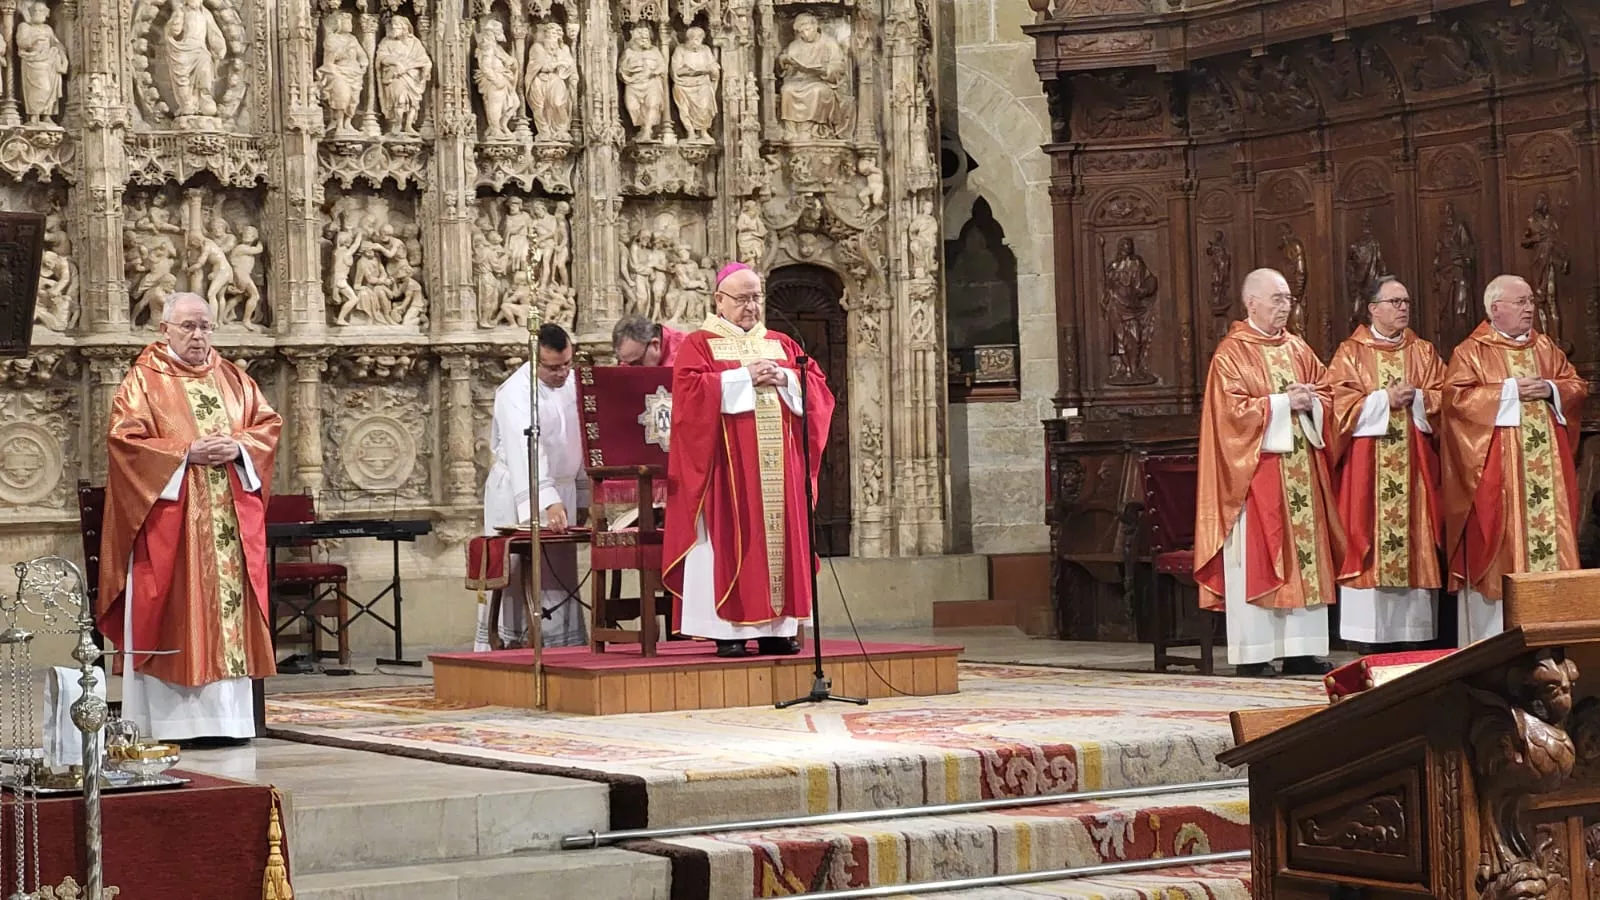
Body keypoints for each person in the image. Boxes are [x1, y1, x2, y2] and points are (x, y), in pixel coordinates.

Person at [96, 293, 282, 743]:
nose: (198, 335)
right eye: (188, 327)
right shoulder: (143, 380)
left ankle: (229, 723)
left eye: (205, 326)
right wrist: (184, 453)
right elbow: (125, 443)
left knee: (227, 615)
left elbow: (267, 426)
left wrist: (239, 447)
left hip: (228, 527)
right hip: (171, 528)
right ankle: (169, 722)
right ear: (166, 329)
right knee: (175, 609)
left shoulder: (234, 378)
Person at [662, 263, 834, 658]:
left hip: (779, 471)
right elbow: (688, 398)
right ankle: (727, 630)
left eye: (756, 297)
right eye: (742, 298)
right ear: (719, 300)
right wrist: (742, 377)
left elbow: (819, 388)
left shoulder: (782, 344)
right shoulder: (700, 344)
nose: (751, 306)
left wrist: (788, 379)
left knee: (777, 538)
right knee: (729, 540)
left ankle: (778, 628)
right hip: (726, 470)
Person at [1194, 269, 1343, 678]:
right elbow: (1229, 416)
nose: (1285, 305)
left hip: (1301, 475)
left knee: (1305, 560)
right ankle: (1254, 653)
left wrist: (1312, 402)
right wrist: (1281, 403)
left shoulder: (1298, 348)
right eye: (1276, 298)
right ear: (1251, 303)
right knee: (1257, 557)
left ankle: (1302, 649)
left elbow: (1328, 393)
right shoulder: (1232, 354)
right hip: (1255, 479)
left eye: (1288, 298)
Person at [1440, 274, 1588, 645]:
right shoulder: (1471, 351)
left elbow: (1576, 385)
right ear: (1495, 309)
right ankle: (1492, 641)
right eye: (1520, 302)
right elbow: (1455, 402)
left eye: (1531, 301)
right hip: (1496, 478)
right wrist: (1507, 391)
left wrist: (1551, 388)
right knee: (1500, 546)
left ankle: (1555, 633)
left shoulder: (1545, 348)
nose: (1529, 308)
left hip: (1546, 477)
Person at [1327, 276, 1446, 651]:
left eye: (1406, 301)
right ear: (1372, 308)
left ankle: (1414, 635)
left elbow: (1450, 399)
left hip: (1416, 471)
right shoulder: (1351, 353)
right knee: (1368, 539)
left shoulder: (1423, 352)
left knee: (1416, 539)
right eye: (1394, 302)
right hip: (1367, 473)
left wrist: (1420, 399)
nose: (1403, 308)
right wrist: (1382, 400)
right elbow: (1336, 406)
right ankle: (1369, 638)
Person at [477, 323, 590, 650]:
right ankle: (517, 644)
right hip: (522, 493)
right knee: (522, 575)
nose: (563, 373)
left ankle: (562, 646)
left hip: (561, 490)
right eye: (554, 367)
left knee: (559, 574)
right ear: (533, 359)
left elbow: (580, 439)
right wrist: (548, 500)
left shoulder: (571, 383)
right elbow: (527, 449)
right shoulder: (516, 392)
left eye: (567, 363)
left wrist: (584, 494)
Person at [611, 313, 686, 367]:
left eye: (636, 363)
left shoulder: (690, 354)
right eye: (622, 361)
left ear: (655, 345)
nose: (629, 369)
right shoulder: (631, 356)